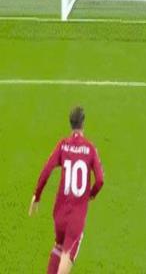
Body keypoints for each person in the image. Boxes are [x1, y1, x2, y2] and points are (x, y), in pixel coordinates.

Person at [29, 106, 104, 274]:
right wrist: (91, 194)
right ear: (83, 123)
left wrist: (37, 195)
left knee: (59, 245)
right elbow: (100, 180)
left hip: (59, 213)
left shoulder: (63, 145)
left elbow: (46, 170)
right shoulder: (90, 149)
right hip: (76, 217)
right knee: (67, 251)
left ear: (70, 124)